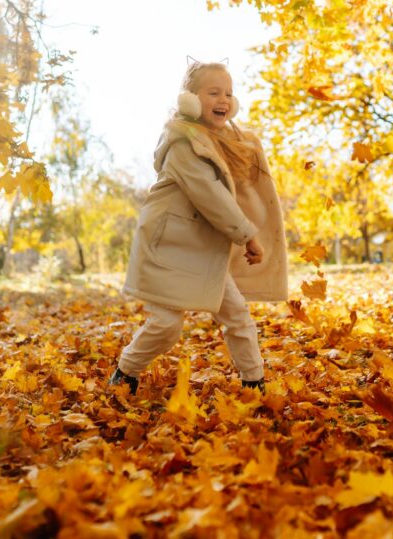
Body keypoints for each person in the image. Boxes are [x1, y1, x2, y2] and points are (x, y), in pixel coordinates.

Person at [110, 60, 288, 394]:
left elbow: (234, 190)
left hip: (205, 253)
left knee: (237, 316)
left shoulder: (220, 141)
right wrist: (248, 235)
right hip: (170, 247)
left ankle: (255, 382)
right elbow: (212, 196)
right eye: (214, 93)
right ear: (190, 99)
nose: (224, 100)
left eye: (229, 94)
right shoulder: (183, 144)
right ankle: (125, 371)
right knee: (166, 325)